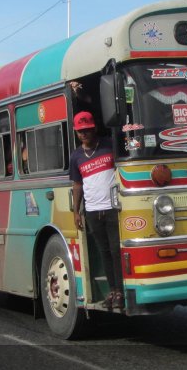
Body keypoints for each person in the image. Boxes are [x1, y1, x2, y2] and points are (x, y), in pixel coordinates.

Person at [69, 111, 124, 310]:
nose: (84, 134)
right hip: (92, 211)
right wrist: (76, 211)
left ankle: (121, 291)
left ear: (94, 129)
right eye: (80, 131)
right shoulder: (76, 156)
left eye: (87, 130)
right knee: (105, 252)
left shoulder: (110, 145)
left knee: (117, 251)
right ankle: (112, 290)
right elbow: (77, 185)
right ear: (76, 133)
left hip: (112, 208)